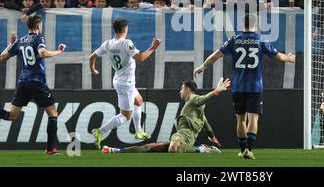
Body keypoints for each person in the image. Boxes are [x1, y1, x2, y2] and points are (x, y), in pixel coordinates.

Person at [193, 14, 295, 159]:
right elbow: (279, 57)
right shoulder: (261, 40)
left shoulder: (234, 40)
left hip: (238, 87)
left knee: (240, 119)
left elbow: (215, 55)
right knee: (253, 119)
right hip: (255, 87)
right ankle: (249, 149)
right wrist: (289, 58)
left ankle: (242, 150)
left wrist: (203, 66)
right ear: (256, 24)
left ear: (242, 24)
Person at [101, 78, 230, 154]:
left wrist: (216, 91)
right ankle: (116, 150)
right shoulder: (196, 109)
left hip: (184, 135)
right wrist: (212, 136)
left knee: (172, 149)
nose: (180, 91)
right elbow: (205, 122)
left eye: (182, 88)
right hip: (184, 137)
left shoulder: (194, 99)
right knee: (148, 147)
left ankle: (203, 149)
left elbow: (203, 99)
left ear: (188, 90)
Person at [89, 18, 161, 148]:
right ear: (124, 30)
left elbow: (92, 57)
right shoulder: (127, 43)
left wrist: (92, 69)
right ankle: (100, 131)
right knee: (125, 116)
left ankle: (138, 131)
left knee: (139, 101)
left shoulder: (107, 44)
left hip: (122, 81)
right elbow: (140, 58)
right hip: (126, 84)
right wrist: (153, 47)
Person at [0, 15, 66, 155]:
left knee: (11, 116)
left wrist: (10, 44)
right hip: (37, 82)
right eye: (40, 25)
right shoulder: (38, 39)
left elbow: (2, 58)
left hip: (23, 82)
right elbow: (43, 53)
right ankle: (50, 149)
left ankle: (51, 148)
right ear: (38, 26)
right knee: (53, 114)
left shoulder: (19, 41)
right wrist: (59, 51)